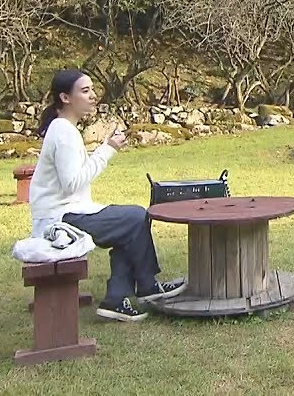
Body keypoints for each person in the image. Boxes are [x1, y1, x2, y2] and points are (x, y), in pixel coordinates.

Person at [29, 68, 184, 322]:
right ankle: (144, 287)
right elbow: (71, 183)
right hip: (60, 220)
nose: (93, 96)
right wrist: (107, 149)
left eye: (92, 90)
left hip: (67, 212)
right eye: (85, 90)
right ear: (65, 98)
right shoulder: (64, 132)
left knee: (130, 223)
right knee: (135, 217)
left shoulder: (64, 128)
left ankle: (121, 297)